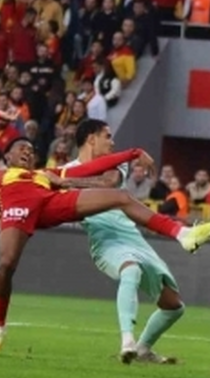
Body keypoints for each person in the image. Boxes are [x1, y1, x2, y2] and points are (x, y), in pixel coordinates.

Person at [0, 109, 210, 356]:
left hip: (49, 204)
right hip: (17, 209)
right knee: (6, 265)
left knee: (120, 196)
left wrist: (134, 153)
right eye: (20, 148)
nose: (27, 152)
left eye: (30, 149)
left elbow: (90, 169)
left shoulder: (47, 174)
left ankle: (183, 234)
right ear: (7, 157)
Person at [67, 119, 187, 364]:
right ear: (91, 139)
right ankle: (127, 342)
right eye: (107, 136)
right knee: (130, 270)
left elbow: (108, 183)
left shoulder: (113, 166)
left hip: (132, 236)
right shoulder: (67, 169)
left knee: (174, 306)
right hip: (105, 240)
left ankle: (143, 349)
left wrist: (64, 182)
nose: (112, 142)